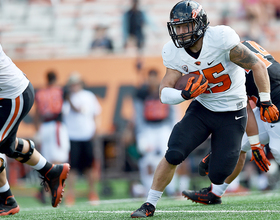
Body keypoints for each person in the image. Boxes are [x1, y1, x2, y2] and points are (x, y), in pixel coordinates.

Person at [130, 1, 279, 218]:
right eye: (177, 27)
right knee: (174, 152)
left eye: (185, 26)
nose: (180, 32)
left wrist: (265, 101)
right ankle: (149, 204)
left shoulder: (220, 39)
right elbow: (164, 91)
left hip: (232, 112)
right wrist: (184, 95)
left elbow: (256, 65)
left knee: (218, 174)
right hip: (203, 107)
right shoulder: (173, 51)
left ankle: (214, 161)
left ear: (199, 24)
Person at [195, 40, 280, 204]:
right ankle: (215, 193)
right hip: (268, 101)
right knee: (237, 143)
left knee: (277, 150)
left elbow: (245, 107)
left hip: (275, 99)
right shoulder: (244, 44)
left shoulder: (229, 64)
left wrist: (256, 145)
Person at [0, 43, 70, 216]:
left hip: (12, 95)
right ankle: (51, 171)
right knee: (7, 146)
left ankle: (6, 199)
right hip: (10, 94)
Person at [133, 69, 182, 197]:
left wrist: (174, 129)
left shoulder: (165, 90)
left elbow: (173, 110)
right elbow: (138, 115)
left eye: (154, 77)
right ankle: (148, 189)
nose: (152, 81)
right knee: (147, 158)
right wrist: (140, 133)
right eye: (150, 78)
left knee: (170, 156)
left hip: (164, 127)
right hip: (148, 128)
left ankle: (171, 188)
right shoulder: (141, 93)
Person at [62, 72, 101, 206]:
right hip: (73, 137)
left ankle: (92, 192)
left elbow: (95, 113)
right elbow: (68, 113)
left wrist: (96, 128)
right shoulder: (66, 100)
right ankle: (70, 195)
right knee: (72, 168)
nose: (74, 86)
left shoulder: (88, 96)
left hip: (87, 135)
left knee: (89, 167)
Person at [34, 70, 70, 203]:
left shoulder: (40, 93)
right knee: (59, 160)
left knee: (47, 161)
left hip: (44, 126)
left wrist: (37, 129)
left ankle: (45, 191)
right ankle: (55, 191)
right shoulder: (61, 91)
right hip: (56, 126)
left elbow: (37, 113)